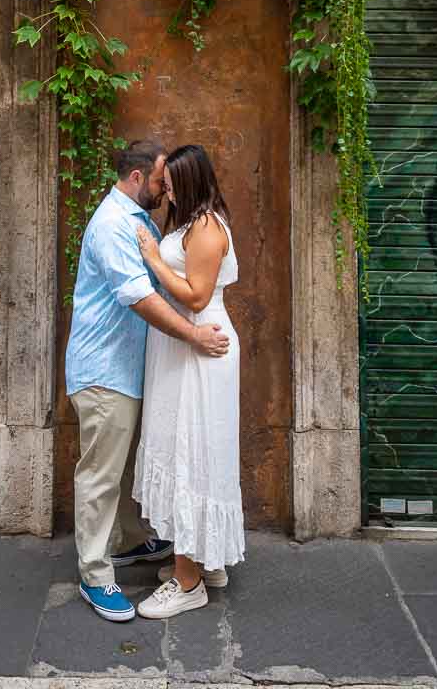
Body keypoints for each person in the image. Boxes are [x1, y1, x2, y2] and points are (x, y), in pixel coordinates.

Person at [65, 139, 231, 623]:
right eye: (160, 180)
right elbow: (140, 297)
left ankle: (133, 543)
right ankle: (95, 576)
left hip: (129, 369)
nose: (166, 189)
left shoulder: (138, 219)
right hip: (104, 370)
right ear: (138, 178)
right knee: (100, 473)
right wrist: (194, 336)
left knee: (117, 464)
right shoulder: (116, 225)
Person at [133, 143, 245, 620]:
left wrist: (154, 260)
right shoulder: (186, 221)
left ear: (194, 179)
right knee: (189, 451)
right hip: (183, 346)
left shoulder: (205, 227)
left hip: (201, 346)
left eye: (175, 180)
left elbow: (197, 298)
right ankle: (202, 560)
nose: (167, 188)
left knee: (190, 453)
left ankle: (188, 582)